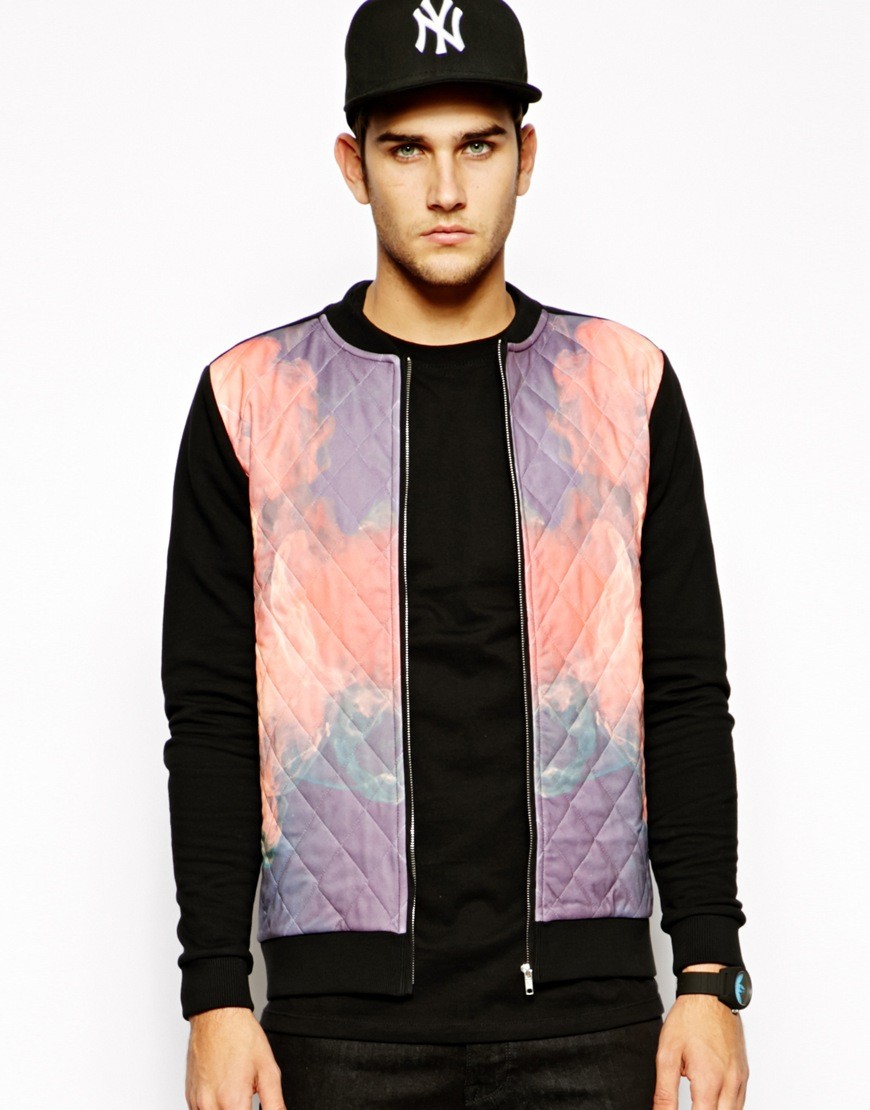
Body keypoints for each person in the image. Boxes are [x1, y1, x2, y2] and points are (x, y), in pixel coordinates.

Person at [161, 1, 751, 1107]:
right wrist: (215, 995)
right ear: (355, 166)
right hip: (338, 1037)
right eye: (407, 150)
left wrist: (709, 975)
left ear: (525, 157)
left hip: (592, 1026)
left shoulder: (622, 388)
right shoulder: (253, 400)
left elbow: (681, 693)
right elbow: (212, 716)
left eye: (477, 146)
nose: (445, 189)